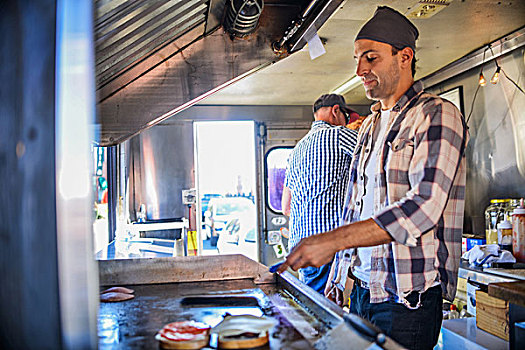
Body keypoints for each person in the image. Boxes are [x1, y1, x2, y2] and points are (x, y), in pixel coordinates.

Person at [277, 6, 468, 350]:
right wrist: (338, 277)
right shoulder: (368, 127)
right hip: (362, 292)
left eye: (371, 58)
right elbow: (354, 208)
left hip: (407, 298)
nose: (360, 70)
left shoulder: (436, 114)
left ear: (404, 57)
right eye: (357, 59)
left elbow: (423, 208)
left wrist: (332, 241)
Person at [281, 94, 358, 293]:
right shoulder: (340, 135)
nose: (346, 122)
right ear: (335, 111)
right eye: (346, 117)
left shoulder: (297, 149)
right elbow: (377, 152)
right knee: (326, 314)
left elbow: (286, 207)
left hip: (299, 247)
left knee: (312, 304)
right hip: (325, 245)